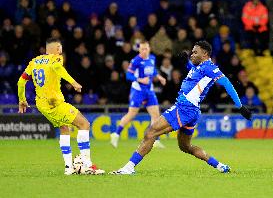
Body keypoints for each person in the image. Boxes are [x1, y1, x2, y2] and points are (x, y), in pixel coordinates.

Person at [110, 41, 252, 175]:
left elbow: (227, 84)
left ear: (205, 54)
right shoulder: (199, 67)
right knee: (185, 147)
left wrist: (239, 106)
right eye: (192, 52)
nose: (192, 54)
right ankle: (220, 165)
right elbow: (195, 74)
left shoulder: (210, 68)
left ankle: (129, 167)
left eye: (195, 52)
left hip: (185, 108)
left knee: (151, 132)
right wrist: (187, 61)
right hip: (191, 111)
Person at [17, 38, 105, 175]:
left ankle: (69, 167)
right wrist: (74, 82)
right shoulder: (56, 58)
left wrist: (22, 99)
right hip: (54, 103)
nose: (61, 49)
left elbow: (21, 82)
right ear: (56, 48)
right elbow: (58, 69)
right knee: (84, 124)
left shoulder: (34, 62)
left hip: (41, 104)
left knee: (64, 129)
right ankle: (87, 164)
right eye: (60, 47)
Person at [110, 41, 166, 148]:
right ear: (139, 50)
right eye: (142, 49)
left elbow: (152, 70)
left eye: (146, 48)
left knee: (155, 115)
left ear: (149, 48)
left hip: (149, 90)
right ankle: (116, 134)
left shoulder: (152, 58)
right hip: (138, 90)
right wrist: (140, 79)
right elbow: (128, 75)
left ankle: (156, 140)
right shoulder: (136, 61)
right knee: (131, 114)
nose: (144, 51)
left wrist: (159, 77)